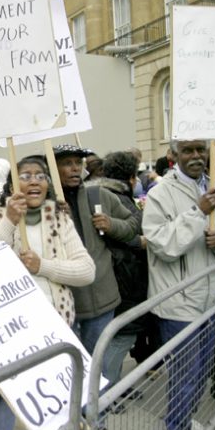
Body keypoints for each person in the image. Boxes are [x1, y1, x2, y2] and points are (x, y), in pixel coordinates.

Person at [0, 155, 95, 430]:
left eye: (39, 175)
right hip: (7, 338)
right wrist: (9, 222)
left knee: (49, 415)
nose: (33, 181)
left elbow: (87, 270)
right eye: (24, 176)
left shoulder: (59, 218)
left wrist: (44, 267)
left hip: (54, 333)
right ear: (12, 186)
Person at [142, 140, 215, 430]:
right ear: (174, 155)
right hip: (179, 301)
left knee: (201, 374)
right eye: (188, 150)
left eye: (202, 150)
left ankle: (185, 420)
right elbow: (163, 245)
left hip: (211, 301)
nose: (197, 156)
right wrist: (198, 213)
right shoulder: (160, 194)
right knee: (184, 375)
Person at [54, 144, 138, 363]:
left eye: (77, 163)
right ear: (52, 169)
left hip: (103, 300)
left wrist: (111, 224)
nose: (74, 169)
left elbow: (133, 223)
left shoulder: (97, 194)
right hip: (66, 306)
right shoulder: (45, 205)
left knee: (97, 365)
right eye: (66, 164)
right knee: (72, 367)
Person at [93, 151, 151, 389]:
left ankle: (110, 387)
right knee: (123, 334)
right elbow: (125, 232)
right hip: (124, 276)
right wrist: (140, 241)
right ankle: (106, 391)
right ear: (131, 177)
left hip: (114, 277)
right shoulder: (117, 198)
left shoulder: (99, 193)